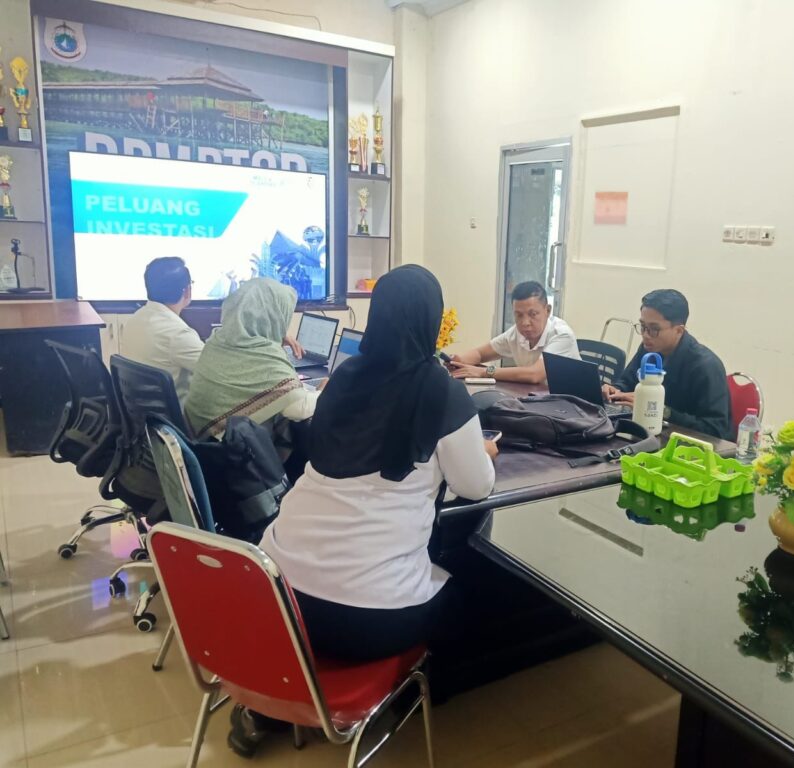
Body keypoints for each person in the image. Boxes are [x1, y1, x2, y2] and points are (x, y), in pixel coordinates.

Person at [234, 266, 497, 756]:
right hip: (369, 623)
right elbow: (476, 486)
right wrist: (482, 450)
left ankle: (280, 699)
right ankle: (416, 703)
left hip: (279, 601)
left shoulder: (342, 377)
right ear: (431, 320)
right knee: (467, 591)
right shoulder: (440, 390)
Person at [121, 257, 304, 404]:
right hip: (183, 422)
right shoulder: (177, 334)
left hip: (149, 420)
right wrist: (268, 341)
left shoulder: (137, 319)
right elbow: (224, 371)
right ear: (187, 291)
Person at [184, 278, 322, 441]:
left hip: (201, 441)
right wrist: (325, 392)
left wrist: (273, 337)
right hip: (231, 448)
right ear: (273, 317)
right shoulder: (264, 356)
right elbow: (299, 409)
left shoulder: (218, 341)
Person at [604, 289, 732, 439]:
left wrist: (662, 411)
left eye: (654, 329)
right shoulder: (649, 349)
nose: (645, 335)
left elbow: (715, 430)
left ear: (678, 330)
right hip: (651, 435)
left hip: (691, 447)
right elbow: (627, 382)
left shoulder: (706, 366)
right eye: (643, 326)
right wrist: (615, 390)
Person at [449, 280, 580, 384]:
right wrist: (458, 361)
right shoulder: (516, 333)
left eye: (533, 314)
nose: (525, 322)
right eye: (519, 315)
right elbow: (480, 353)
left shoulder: (562, 335)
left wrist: (484, 372)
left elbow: (534, 374)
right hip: (538, 399)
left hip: (572, 405)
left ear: (548, 310)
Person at [120, 257, 204, 403]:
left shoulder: (134, 319)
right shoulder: (178, 334)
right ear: (187, 291)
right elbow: (217, 371)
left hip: (141, 411)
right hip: (180, 414)